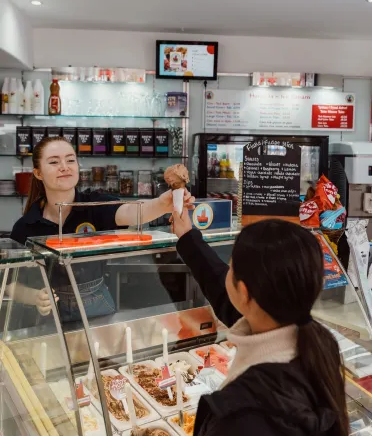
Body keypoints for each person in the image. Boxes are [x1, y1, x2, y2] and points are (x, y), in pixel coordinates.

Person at [172, 210, 348, 436]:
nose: (226, 272)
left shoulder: (241, 418)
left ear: (244, 292)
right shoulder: (318, 341)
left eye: (231, 266)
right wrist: (187, 237)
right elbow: (222, 290)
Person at [9, 136, 194, 321]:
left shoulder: (94, 205)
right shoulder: (26, 225)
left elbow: (131, 211)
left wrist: (164, 203)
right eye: (54, 162)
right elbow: (10, 281)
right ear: (38, 173)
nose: (64, 166)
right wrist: (34, 297)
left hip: (98, 305)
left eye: (70, 160)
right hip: (49, 313)